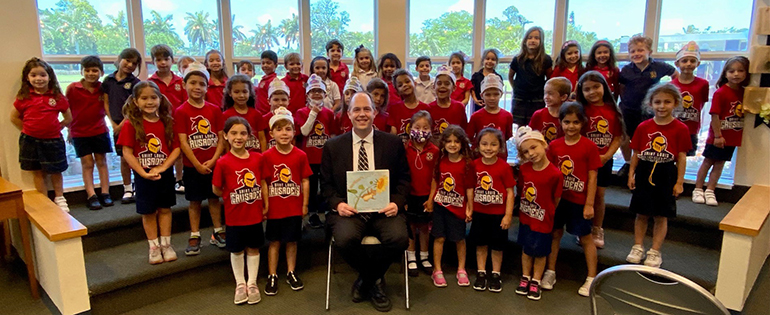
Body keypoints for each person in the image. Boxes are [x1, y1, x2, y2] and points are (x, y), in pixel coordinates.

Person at [320, 92, 410, 312]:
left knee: (399, 239)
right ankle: (375, 280)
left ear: (375, 112)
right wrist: (338, 204)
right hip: (349, 211)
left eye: (366, 109)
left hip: (384, 209)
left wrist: (396, 203)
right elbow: (326, 185)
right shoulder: (333, 146)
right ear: (348, 114)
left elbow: (405, 179)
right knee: (344, 239)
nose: (362, 114)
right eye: (357, 109)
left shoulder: (392, 143)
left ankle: (366, 281)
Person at [627, 83, 691, 268]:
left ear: (675, 103)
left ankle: (655, 250)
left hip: (666, 173)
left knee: (661, 215)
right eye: (657, 102)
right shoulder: (643, 127)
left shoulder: (680, 129)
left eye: (667, 102)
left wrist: (679, 182)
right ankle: (638, 246)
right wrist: (631, 174)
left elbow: (681, 157)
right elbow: (636, 153)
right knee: (642, 213)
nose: (662, 106)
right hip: (644, 171)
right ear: (650, 104)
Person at [117, 81, 180, 264]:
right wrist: (142, 173)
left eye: (153, 97)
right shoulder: (131, 125)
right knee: (148, 212)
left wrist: (163, 167)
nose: (150, 102)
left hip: (164, 174)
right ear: (136, 101)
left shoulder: (167, 122)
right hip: (143, 175)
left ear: (160, 99)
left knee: (165, 209)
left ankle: (166, 244)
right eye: (144, 98)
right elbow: (127, 152)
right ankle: (153, 247)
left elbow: (176, 149)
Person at [543, 102, 600, 296]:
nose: (571, 126)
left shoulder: (589, 147)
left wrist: (589, 203)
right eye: (567, 122)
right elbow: (549, 174)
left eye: (576, 122)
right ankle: (550, 271)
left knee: (585, 237)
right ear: (560, 123)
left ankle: (592, 277)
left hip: (579, 201)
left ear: (583, 123)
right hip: (559, 200)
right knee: (555, 234)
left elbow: (592, 176)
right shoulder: (554, 145)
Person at [212, 116, 267, 305]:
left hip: (254, 214)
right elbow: (216, 189)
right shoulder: (223, 162)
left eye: (243, 133)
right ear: (225, 136)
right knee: (236, 251)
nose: (238, 137)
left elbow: (262, 183)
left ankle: (252, 283)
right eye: (233, 133)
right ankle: (240, 284)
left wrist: (265, 204)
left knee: (253, 248)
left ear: (249, 136)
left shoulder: (257, 158)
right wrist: (232, 197)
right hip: (234, 216)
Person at [174, 62, 226, 256]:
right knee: (194, 201)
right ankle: (195, 234)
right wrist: (196, 164)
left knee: (214, 198)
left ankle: (218, 230)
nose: (197, 87)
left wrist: (213, 161)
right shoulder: (181, 111)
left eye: (201, 84)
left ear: (207, 87)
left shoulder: (214, 110)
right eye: (193, 83)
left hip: (213, 164)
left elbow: (221, 138)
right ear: (185, 84)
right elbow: (183, 141)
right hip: (192, 166)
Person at [11, 57, 72, 212]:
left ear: (49, 76)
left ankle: (60, 197)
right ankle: (44, 200)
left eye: (42, 75)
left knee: (56, 170)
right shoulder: (24, 97)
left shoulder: (57, 96)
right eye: (34, 75)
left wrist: (59, 127)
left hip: (53, 140)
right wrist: (28, 129)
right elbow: (13, 117)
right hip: (31, 140)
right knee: (38, 172)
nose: (39, 79)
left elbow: (68, 117)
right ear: (27, 77)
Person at [262, 106, 312, 295]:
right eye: (279, 129)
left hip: (293, 208)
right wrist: (265, 205)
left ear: (294, 131)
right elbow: (264, 184)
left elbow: (305, 180)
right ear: (272, 133)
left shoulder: (300, 155)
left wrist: (305, 204)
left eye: (288, 129)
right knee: (274, 242)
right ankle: (272, 274)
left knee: (292, 241)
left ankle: (291, 271)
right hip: (275, 208)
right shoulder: (266, 156)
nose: (284, 133)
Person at [616, 35, 678, 180]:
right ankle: (628, 162)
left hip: (650, 110)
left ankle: (642, 165)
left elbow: (675, 75)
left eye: (640, 50)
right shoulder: (626, 70)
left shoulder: (659, 66)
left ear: (649, 51)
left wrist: (668, 93)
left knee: (645, 138)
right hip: (628, 109)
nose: (636, 54)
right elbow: (622, 88)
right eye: (632, 51)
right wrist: (624, 103)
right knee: (625, 138)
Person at [692, 56, 750, 206]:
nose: (736, 74)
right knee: (708, 162)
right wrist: (718, 135)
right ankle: (698, 189)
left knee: (720, 164)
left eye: (740, 71)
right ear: (725, 73)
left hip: (732, 136)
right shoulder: (721, 93)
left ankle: (710, 190)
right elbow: (714, 115)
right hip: (718, 137)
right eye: (732, 71)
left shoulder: (745, 93)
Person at [575, 71, 623, 249]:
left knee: (599, 195)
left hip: (603, 160)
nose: (592, 92)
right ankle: (583, 228)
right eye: (587, 89)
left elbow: (617, 137)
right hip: (582, 161)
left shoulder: (612, 110)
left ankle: (597, 228)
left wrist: (606, 156)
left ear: (605, 86)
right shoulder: (580, 109)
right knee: (583, 193)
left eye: (596, 87)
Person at [514, 126, 562, 301]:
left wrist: (545, 212)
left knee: (540, 252)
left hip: (543, 220)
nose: (531, 153)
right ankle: (525, 276)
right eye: (526, 152)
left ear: (544, 144)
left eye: (534, 147)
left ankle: (536, 279)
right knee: (526, 249)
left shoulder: (555, 174)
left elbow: (555, 199)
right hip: (526, 217)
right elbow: (521, 190)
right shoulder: (525, 170)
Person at [426, 125, 475, 288]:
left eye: (456, 141)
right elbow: (435, 181)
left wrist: (470, 207)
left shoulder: (468, 163)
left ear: (462, 143)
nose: (452, 145)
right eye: (449, 141)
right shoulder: (440, 160)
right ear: (443, 143)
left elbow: (469, 187)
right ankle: (437, 269)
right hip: (441, 206)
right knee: (439, 237)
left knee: (459, 239)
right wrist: (431, 200)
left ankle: (461, 268)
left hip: (458, 207)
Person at [470, 128, 515, 293]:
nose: (488, 148)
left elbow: (510, 192)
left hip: (498, 215)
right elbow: (469, 189)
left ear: (501, 147)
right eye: (484, 144)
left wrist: (508, 215)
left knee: (497, 246)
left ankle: (496, 274)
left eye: (493, 144)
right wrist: (469, 208)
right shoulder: (474, 165)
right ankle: (481, 272)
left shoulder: (504, 167)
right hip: (480, 213)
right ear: (478, 145)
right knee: (480, 244)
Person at [66, 55, 113, 210]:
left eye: (95, 70)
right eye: (87, 70)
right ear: (82, 71)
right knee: (87, 164)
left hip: (99, 130)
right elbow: (67, 110)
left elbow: (107, 108)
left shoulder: (103, 88)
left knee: (102, 161)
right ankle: (91, 195)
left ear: (101, 72)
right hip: (79, 133)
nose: (91, 73)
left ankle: (105, 193)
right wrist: (69, 130)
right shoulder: (73, 88)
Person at [295, 74, 336, 229]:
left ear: (325, 94)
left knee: (326, 185)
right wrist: (313, 113)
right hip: (309, 157)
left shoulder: (329, 113)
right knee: (311, 187)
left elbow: (332, 135)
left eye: (320, 91)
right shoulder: (301, 112)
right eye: (313, 91)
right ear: (307, 94)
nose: (317, 94)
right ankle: (312, 213)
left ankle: (326, 211)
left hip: (325, 157)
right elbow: (304, 131)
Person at [103, 48, 142, 204]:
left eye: (134, 63)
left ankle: (139, 186)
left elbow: (135, 106)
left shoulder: (135, 83)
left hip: (132, 123)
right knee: (124, 159)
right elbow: (106, 102)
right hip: (116, 124)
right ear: (120, 59)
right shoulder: (108, 80)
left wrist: (124, 122)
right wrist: (113, 123)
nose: (130, 65)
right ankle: (127, 188)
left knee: (137, 157)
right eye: (127, 60)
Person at [148, 44, 188, 193]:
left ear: (172, 61)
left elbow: (185, 103)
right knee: (162, 151)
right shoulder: (151, 83)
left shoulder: (180, 82)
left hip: (177, 122)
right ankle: (165, 178)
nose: (163, 63)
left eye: (166, 59)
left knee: (178, 152)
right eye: (158, 60)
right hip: (158, 123)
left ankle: (179, 179)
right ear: (153, 62)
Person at [404, 110, 439, 277]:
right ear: (410, 128)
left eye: (425, 127)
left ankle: (424, 256)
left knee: (424, 227)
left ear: (431, 129)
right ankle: (411, 255)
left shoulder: (435, 150)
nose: (421, 130)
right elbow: (402, 175)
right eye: (417, 126)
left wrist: (431, 198)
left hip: (426, 196)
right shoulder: (405, 148)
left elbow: (435, 177)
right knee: (410, 226)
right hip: (410, 195)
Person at [508, 26, 553, 127]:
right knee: (520, 125)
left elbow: (550, 79)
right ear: (525, 41)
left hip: (537, 98)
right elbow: (510, 76)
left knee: (535, 124)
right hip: (520, 97)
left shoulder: (545, 59)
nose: (533, 40)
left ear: (541, 41)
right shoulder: (518, 59)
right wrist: (516, 88)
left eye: (536, 38)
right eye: (530, 37)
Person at [671, 41, 709, 157]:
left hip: (691, 129)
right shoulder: (671, 85)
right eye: (684, 61)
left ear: (698, 63)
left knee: (685, 157)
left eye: (692, 61)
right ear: (677, 63)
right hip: (673, 128)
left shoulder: (703, 84)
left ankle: (681, 176)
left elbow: (702, 103)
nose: (688, 64)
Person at [467, 74, 514, 156]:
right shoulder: (476, 116)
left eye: (495, 94)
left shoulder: (507, 116)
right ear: (482, 96)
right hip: (480, 158)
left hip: (499, 157)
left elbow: (506, 137)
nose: (492, 98)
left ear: (501, 94)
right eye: (488, 95)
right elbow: (470, 137)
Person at [221, 74, 267, 152]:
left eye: (245, 91)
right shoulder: (225, 115)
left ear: (250, 93)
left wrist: (263, 157)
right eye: (236, 92)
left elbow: (262, 139)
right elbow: (225, 142)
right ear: (230, 93)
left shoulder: (256, 114)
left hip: (255, 158)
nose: (241, 95)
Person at [428, 65, 467, 143]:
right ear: (434, 86)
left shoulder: (459, 107)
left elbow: (464, 132)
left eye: (447, 84)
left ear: (454, 88)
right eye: (439, 83)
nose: (442, 86)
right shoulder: (428, 108)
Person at [388, 69, 430, 143]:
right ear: (397, 91)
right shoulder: (394, 109)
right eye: (400, 85)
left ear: (415, 83)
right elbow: (393, 134)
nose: (405, 85)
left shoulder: (425, 108)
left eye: (407, 81)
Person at [530, 77, 570, 143]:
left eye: (550, 94)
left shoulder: (569, 116)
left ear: (563, 97)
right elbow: (530, 136)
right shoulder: (538, 114)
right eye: (545, 93)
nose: (546, 97)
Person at [263, 79, 292, 150]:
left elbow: (293, 140)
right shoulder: (264, 119)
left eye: (284, 100)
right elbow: (262, 139)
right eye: (276, 100)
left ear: (289, 101)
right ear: (269, 101)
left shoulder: (291, 118)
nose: (280, 103)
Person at [255, 50, 279, 115]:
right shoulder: (264, 79)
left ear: (276, 65)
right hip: (260, 113)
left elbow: (276, 100)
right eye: (263, 63)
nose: (265, 65)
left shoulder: (274, 81)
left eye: (268, 63)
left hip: (267, 114)